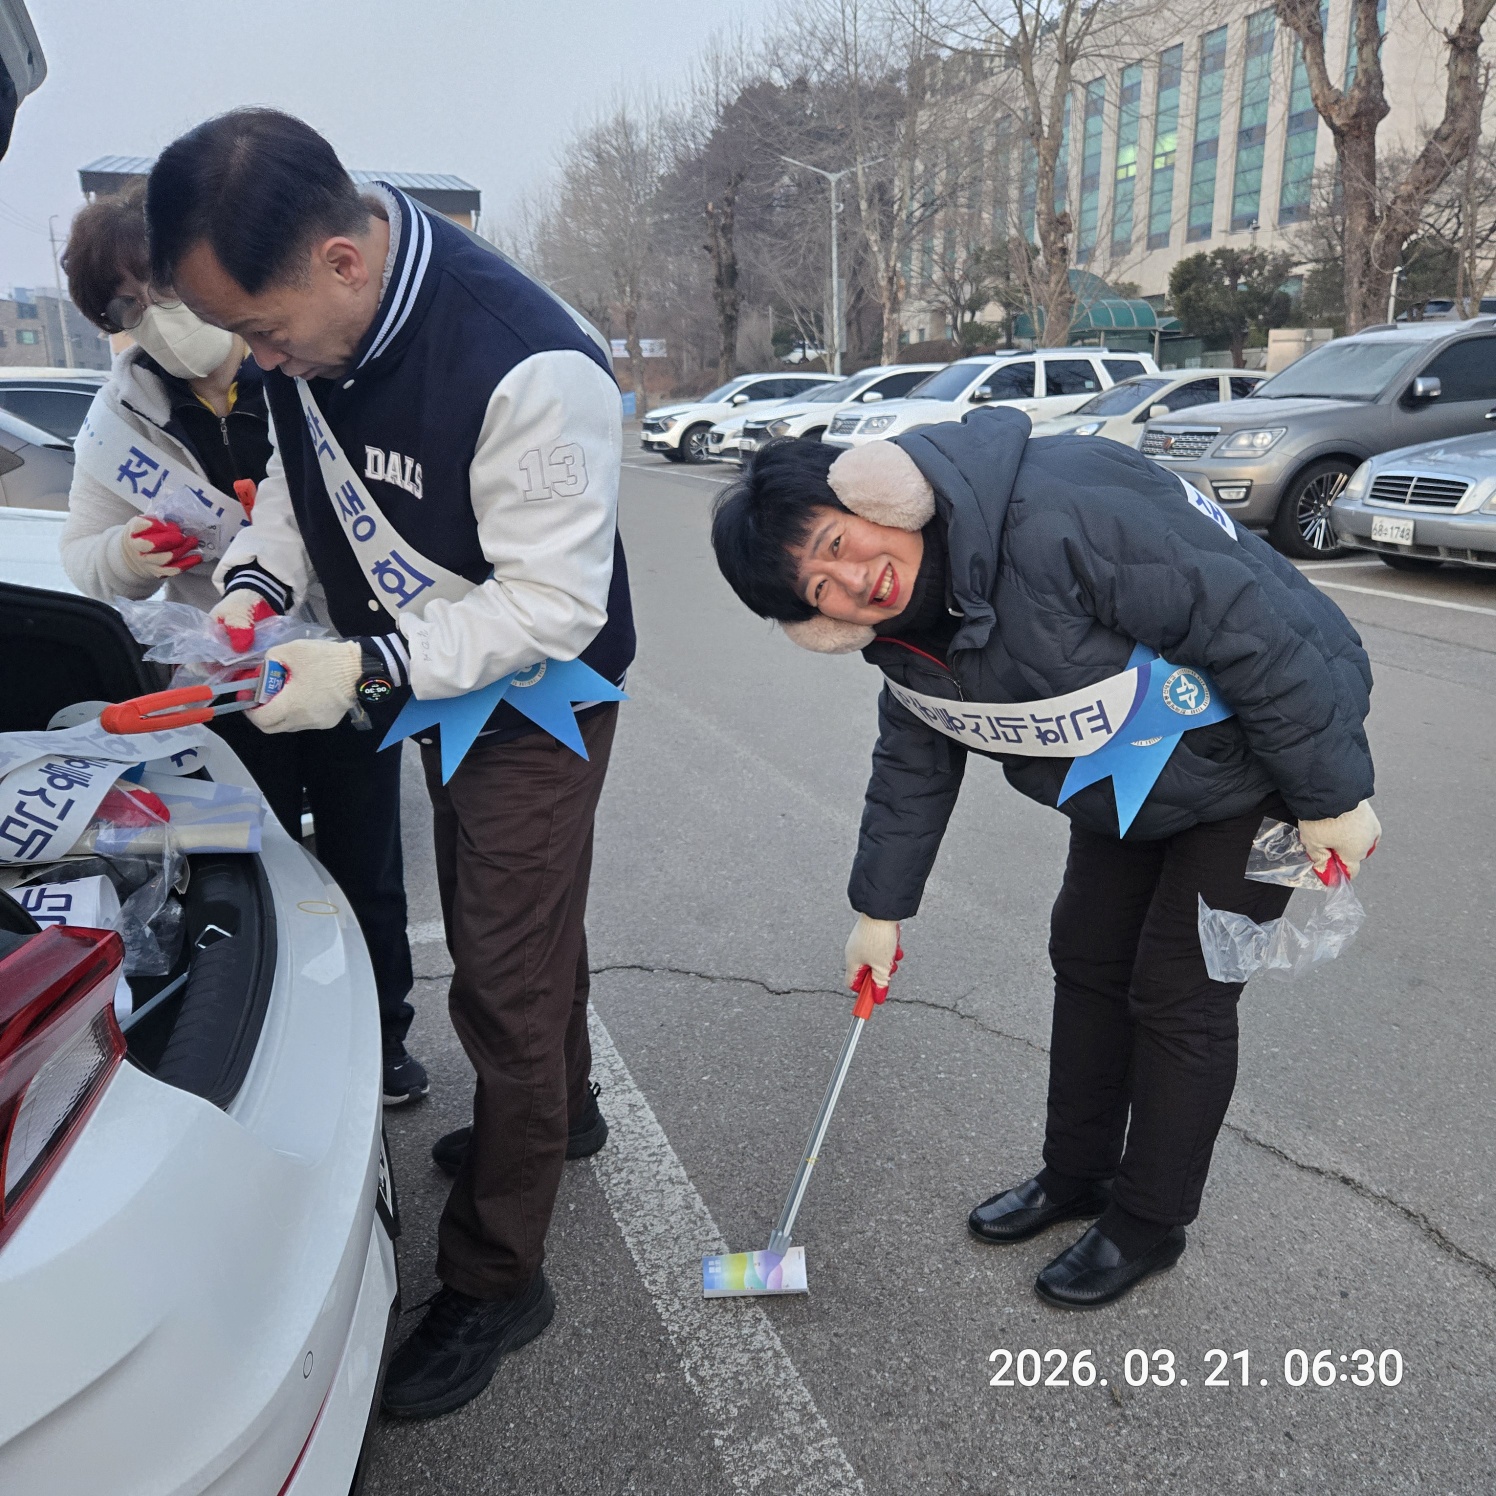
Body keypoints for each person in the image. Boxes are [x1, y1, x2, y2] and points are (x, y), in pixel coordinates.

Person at [145, 109, 634, 1415]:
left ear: (341, 260)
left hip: (540, 693)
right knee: (520, 919)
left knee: (502, 969)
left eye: (258, 328)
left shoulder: (527, 360)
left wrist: (361, 669)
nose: (255, 356)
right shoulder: (308, 335)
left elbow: (553, 606)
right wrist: (251, 595)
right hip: (431, 669)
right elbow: (296, 494)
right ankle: (564, 1116)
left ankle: (495, 1277)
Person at [710, 413, 1379, 1309]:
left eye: (838, 542)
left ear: (874, 492)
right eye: (816, 589)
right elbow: (914, 761)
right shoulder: (903, 638)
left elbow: (1255, 626)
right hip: (1135, 782)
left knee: (1181, 994)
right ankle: (1077, 1175)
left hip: (1270, 759)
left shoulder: (1057, 510)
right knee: (1089, 957)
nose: (852, 584)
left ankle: (1149, 1220)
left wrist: (1328, 797)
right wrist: (880, 912)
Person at [59, 186, 424, 1109]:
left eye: (162, 290)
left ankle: (382, 1041)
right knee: (234, 867)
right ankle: (263, 1049)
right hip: (213, 691)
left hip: (338, 666)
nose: (155, 321)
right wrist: (129, 555)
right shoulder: (120, 416)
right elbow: (83, 559)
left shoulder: (296, 360)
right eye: (124, 307)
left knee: (363, 859)